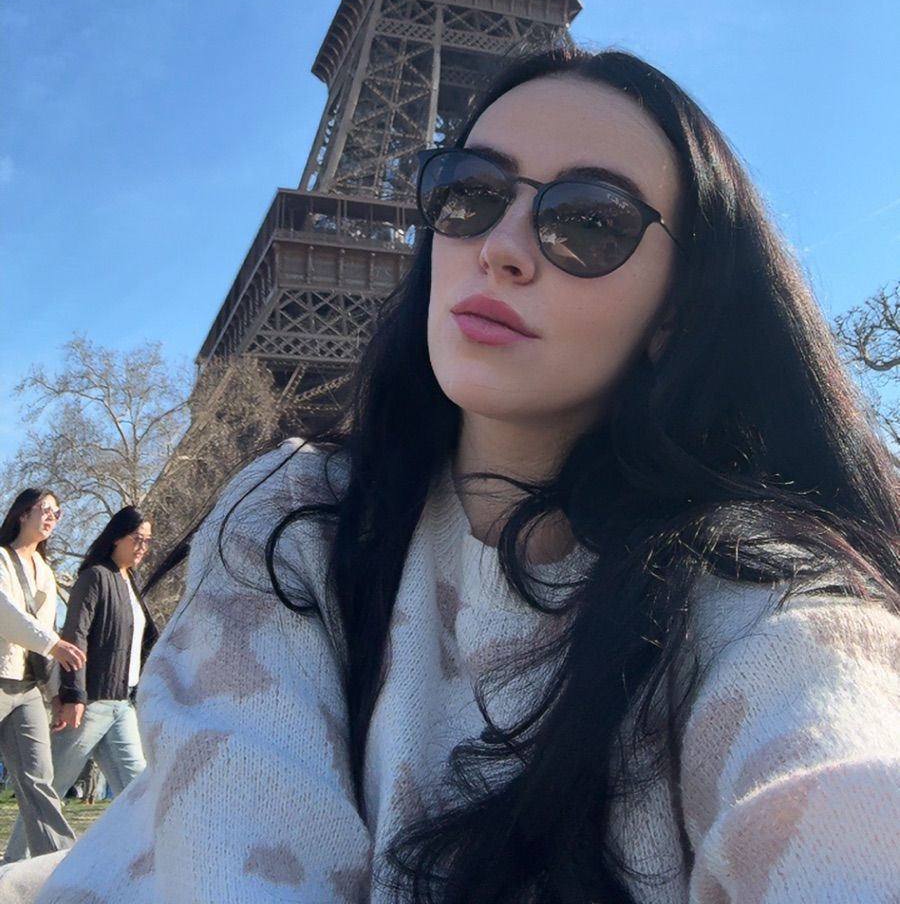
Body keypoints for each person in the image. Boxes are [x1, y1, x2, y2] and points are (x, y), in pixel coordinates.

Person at [2, 46, 900, 903]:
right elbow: (239, 836)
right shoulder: (294, 516)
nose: (502, 246)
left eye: (590, 221)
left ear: (678, 311)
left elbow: (839, 768)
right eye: (469, 193)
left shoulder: (759, 604)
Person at [3, 506, 158, 863]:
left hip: (121, 705)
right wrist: (73, 694)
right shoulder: (95, 577)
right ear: (116, 537)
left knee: (138, 788)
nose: (143, 547)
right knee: (49, 790)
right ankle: (14, 866)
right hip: (90, 704)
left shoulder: (129, 581)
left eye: (148, 541)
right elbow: (76, 636)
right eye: (137, 539)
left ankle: (143, 865)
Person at [0, 490, 86, 861]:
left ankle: (56, 866)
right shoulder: (1, 559)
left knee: (39, 779)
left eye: (57, 512)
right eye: (45, 509)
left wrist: (55, 694)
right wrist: (53, 644)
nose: (52, 517)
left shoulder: (46, 573)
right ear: (23, 513)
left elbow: (46, 632)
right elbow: (6, 615)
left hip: (27, 690)